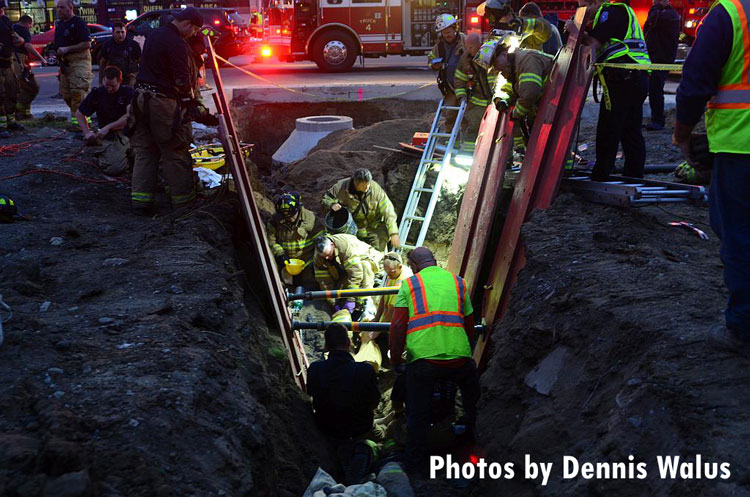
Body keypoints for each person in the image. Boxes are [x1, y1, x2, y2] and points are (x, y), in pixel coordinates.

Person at [673, 0, 750, 347]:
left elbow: (695, 81)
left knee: (740, 236)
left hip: (740, 148)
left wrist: (682, 133)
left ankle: (743, 327)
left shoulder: (733, 13)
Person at [389, 247, 480, 471]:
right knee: (472, 401)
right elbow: (469, 323)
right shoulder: (458, 282)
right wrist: (464, 351)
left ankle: (415, 463)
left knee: (417, 414)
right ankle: (472, 438)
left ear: (413, 266)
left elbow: (398, 326)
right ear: (436, 262)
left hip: (424, 360)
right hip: (459, 359)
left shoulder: (410, 284)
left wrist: (396, 360)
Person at [129, 7, 204, 215]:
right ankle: (184, 204)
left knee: (145, 151)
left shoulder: (155, 35)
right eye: (195, 30)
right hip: (161, 102)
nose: (194, 34)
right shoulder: (177, 42)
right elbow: (181, 80)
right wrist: (192, 105)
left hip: (140, 100)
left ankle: (141, 202)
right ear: (188, 24)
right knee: (175, 150)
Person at [566, 0, 650, 181]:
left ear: (595, 2)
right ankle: (634, 175)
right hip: (636, 77)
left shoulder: (611, 11)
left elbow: (594, 43)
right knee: (631, 130)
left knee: (608, 128)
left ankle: (601, 174)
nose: (584, 10)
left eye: (584, 5)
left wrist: (574, 30)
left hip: (623, 79)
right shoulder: (623, 11)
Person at [307, 322, 381, 484]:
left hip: (327, 429)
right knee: (381, 437)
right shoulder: (365, 370)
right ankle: (368, 451)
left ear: (326, 346)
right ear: (348, 344)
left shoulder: (315, 369)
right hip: (359, 429)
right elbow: (374, 402)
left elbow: (311, 394)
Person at [475, 36, 554, 152]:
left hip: (555, 104)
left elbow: (530, 93)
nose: (496, 69)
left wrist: (516, 113)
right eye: (493, 66)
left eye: (495, 63)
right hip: (544, 107)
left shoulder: (526, 60)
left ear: (504, 54)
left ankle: (563, 170)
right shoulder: (510, 67)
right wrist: (500, 99)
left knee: (553, 144)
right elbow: (505, 88)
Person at [75, 65, 134, 176]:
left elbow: (129, 116)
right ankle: (106, 154)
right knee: (114, 169)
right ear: (103, 80)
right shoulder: (97, 93)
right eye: (107, 85)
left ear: (120, 81)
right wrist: (87, 132)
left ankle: (128, 154)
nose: (109, 89)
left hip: (127, 132)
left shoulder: (127, 92)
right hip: (109, 136)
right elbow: (79, 113)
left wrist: (108, 127)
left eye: (113, 86)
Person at [322, 168, 399, 251]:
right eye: (364, 185)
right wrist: (331, 204)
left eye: (368, 184)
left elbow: (388, 210)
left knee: (378, 251)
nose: (367, 187)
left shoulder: (375, 189)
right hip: (354, 229)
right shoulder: (341, 187)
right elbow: (326, 198)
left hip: (375, 228)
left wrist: (393, 232)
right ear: (356, 183)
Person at [313, 234, 383, 315]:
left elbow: (355, 274)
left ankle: (365, 303)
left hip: (367, 259)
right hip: (344, 268)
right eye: (324, 256)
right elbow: (324, 282)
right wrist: (333, 302)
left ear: (332, 245)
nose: (327, 258)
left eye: (329, 254)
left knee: (365, 268)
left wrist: (351, 299)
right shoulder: (318, 258)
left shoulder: (345, 246)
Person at [266, 192, 326, 285]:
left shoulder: (310, 219)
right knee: (288, 284)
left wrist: (317, 260)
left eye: (292, 215)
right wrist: (280, 255)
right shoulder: (275, 221)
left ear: (297, 209)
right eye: (286, 217)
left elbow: (321, 240)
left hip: (307, 262)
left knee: (309, 284)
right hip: (287, 263)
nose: (290, 219)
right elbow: (271, 241)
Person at [454, 33, 497, 148]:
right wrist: (462, 96)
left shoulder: (490, 54)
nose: (469, 50)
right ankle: (468, 156)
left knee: (497, 129)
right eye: (467, 47)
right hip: (476, 103)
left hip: (495, 101)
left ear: (479, 44)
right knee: (473, 127)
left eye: (471, 47)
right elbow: (459, 79)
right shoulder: (465, 59)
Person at [54, 0, 93, 127]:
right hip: (65, 63)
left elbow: (87, 43)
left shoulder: (78, 23)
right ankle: (79, 118)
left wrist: (67, 48)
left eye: (61, 7)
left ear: (70, 8)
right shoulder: (60, 25)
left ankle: (82, 124)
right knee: (66, 93)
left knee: (78, 91)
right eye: (57, 7)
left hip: (79, 60)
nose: (58, 10)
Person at [643, 0, 680, 131]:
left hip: (661, 59)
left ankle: (658, 120)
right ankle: (655, 118)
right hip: (656, 58)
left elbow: (653, 18)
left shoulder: (669, 16)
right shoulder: (667, 15)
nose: (654, 2)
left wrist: (656, 6)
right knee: (652, 89)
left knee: (655, 90)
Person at [428, 14, 466, 132]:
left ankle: (467, 143)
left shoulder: (465, 41)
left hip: (466, 86)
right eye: (444, 33)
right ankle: (449, 143)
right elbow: (430, 59)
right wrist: (434, 65)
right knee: (450, 116)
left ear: (455, 29)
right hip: (450, 88)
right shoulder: (439, 46)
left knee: (467, 115)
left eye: (449, 32)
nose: (447, 35)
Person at [12, 15, 46, 120]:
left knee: (26, 88)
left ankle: (24, 113)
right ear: (28, 23)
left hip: (16, 61)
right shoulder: (24, 30)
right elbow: (27, 45)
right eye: (31, 25)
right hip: (19, 61)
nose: (30, 27)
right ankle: (20, 113)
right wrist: (41, 58)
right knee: (30, 87)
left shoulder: (12, 28)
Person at [0, 6, 24, 138]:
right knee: (0, 94)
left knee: (12, 91)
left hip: (8, 62)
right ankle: (1, 126)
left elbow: (13, 35)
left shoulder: (5, 20)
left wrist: (19, 39)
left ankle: (11, 121)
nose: (1, 11)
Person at [98, 22, 141, 87]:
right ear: (113, 33)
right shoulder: (107, 45)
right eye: (118, 32)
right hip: (113, 75)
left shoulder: (133, 45)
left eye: (122, 32)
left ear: (126, 32)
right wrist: (100, 81)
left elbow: (140, 61)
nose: (120, 35)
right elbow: (102, 63)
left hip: (130, 75)